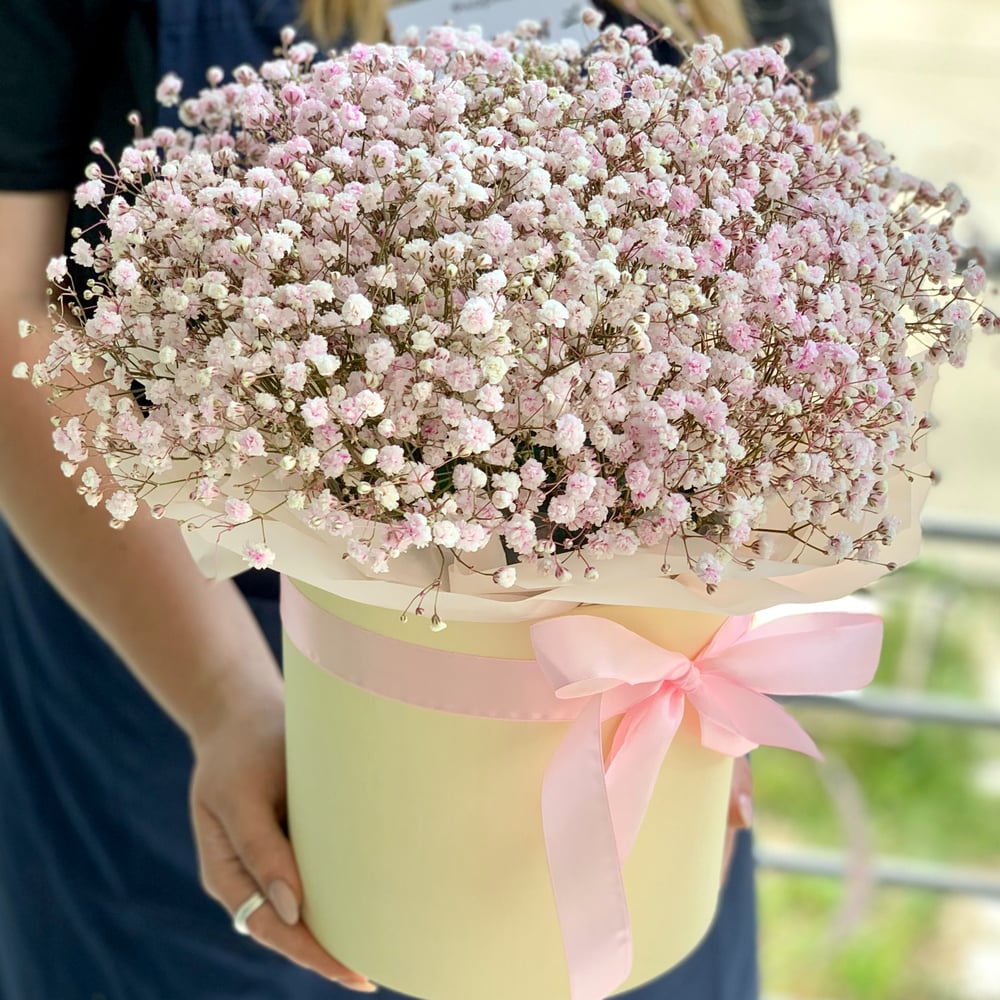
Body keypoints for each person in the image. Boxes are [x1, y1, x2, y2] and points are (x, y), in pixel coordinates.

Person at [0, 1, 836, 997]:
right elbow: (18, 316)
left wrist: (694, 622)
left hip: (622, 710)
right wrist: (225, 700)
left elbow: (784, 312)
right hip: (186, 661)